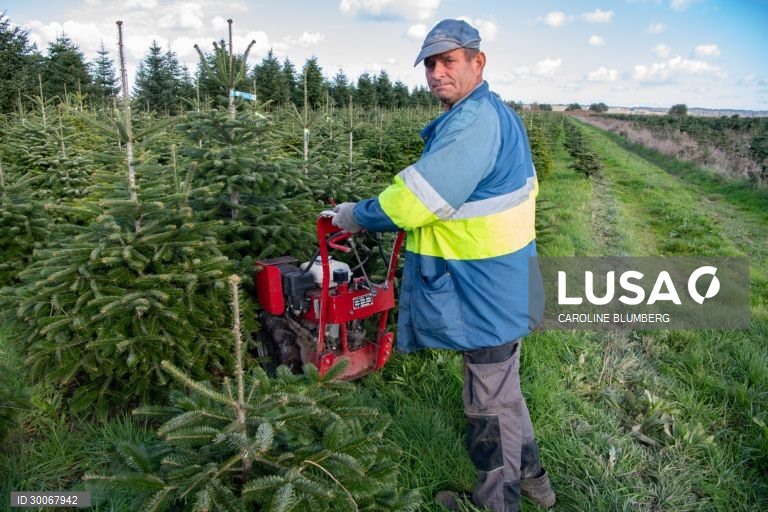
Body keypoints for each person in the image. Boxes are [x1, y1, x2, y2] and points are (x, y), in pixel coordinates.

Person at [332, 19, 554, 512]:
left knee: (488, 405)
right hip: (502, 282)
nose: (436, 73)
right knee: (504, 392)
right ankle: (535, 483)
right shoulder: (490, 113)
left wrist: (354, 215)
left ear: (478, 62)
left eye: (448, 60)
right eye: (430, 64)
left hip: (485, 289)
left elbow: (414, 201)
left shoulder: (474, 122)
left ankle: (497, 504)